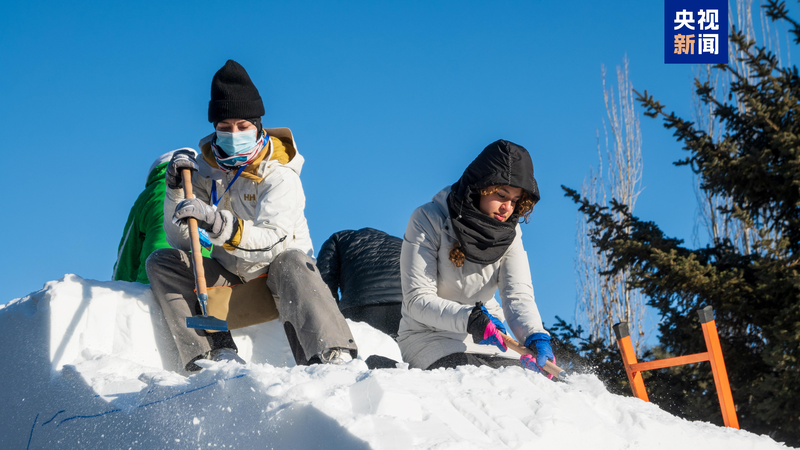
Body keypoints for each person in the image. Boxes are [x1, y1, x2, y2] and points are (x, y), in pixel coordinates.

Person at [146, 60, 358, 372]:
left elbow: (273, 242)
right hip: (234, 286)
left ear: (257, 127)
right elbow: (182, 239)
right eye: (225, 127)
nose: (234, 133)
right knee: (163, 261)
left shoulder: (280, 176)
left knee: (291, 260)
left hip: (284, 286)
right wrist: (177, 190)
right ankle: (213, 354)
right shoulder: (207, 175)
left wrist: (219, 224)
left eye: (243, 126)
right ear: (215, 130)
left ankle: (332, 357)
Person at [396, 139, 555, 373]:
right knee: (469, 385)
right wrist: (471, 319)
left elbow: (516, 294)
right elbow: (417, 299)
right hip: (429, 336)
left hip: (490, 336)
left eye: (515, 200)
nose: (507, 208)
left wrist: (533, 333)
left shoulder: (510, 233)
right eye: (501, 195)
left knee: (518, 387)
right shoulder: (428, 219)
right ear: (481, 186)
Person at [113, 149, 210, 284]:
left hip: (153, 278)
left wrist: (118, 285)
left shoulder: (149, 194)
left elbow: (129, 251)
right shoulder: (207, 191)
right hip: (205, 279)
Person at [317, 228, 403, 337]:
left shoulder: (338, 238)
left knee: (363, 350)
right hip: (403, 305)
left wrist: (332, 314)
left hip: (359, 304)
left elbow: (324, 279)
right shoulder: (400, 243)